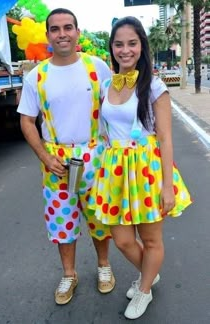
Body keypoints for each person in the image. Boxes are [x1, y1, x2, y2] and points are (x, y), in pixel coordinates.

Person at [88, 16, 192, 319]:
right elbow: (103, 128)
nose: (125, 50)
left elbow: (166, 139)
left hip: (146, 169)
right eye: (119, 44)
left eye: (132, 43)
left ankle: (144, 289)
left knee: (150, 239)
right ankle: (150, 272)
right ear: (112, 48)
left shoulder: (155, 86)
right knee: (121, 239)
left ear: (141, 46)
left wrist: (166, 185)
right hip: (115, 170)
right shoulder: (106, 85)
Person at [17, 8, 115, 306]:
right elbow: (26, 120)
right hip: (57, 161)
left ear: (77, 32)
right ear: (48, 35)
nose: (62, 34)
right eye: (56, 29)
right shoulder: (37, 76)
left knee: (99, 217)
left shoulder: (97, 68)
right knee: (63, 221)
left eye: (68, 27)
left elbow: (114, 108)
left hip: (95, 156)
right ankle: (69, 274)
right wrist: (45, 157)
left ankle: (103, 266)